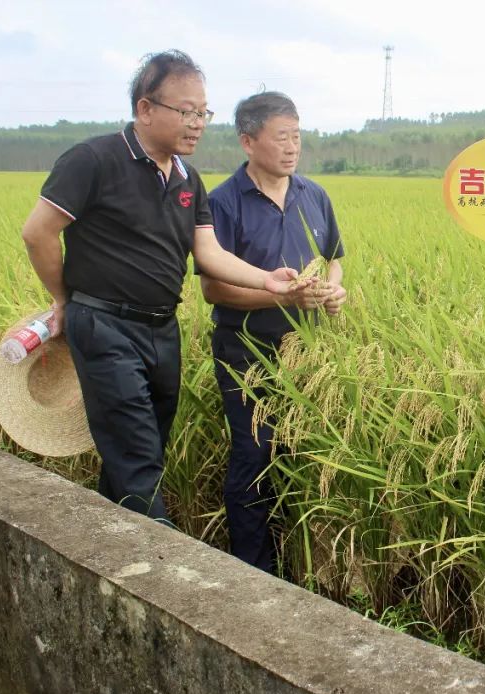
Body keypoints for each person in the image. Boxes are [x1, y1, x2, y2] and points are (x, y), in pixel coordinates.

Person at [20, 51, 311, 527]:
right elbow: (38, 232)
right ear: (145, 109)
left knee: (140, 448)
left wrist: (269, 279)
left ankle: (108, 543)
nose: (197, 123)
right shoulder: (93, 160)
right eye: (186, 111)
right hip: (105, 324)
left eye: (203, 112)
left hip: (160, 329)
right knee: (139, 460)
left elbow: (209, 254)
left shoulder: (186, 178)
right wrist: (64, 299)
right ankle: (166, 566)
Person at [201, 91, 345, 573]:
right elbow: (214, 288)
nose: (292, 147)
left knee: (298, 450)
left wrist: (332, 291)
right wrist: (281, 297)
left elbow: (334, 259)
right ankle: (253, 569)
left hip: (307, 351)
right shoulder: (222, 202)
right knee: (255, 453)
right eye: (281, 136)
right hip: (245, 352)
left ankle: (297, 560)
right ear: (247, 141)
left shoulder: (314, 195)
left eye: (297, 136)